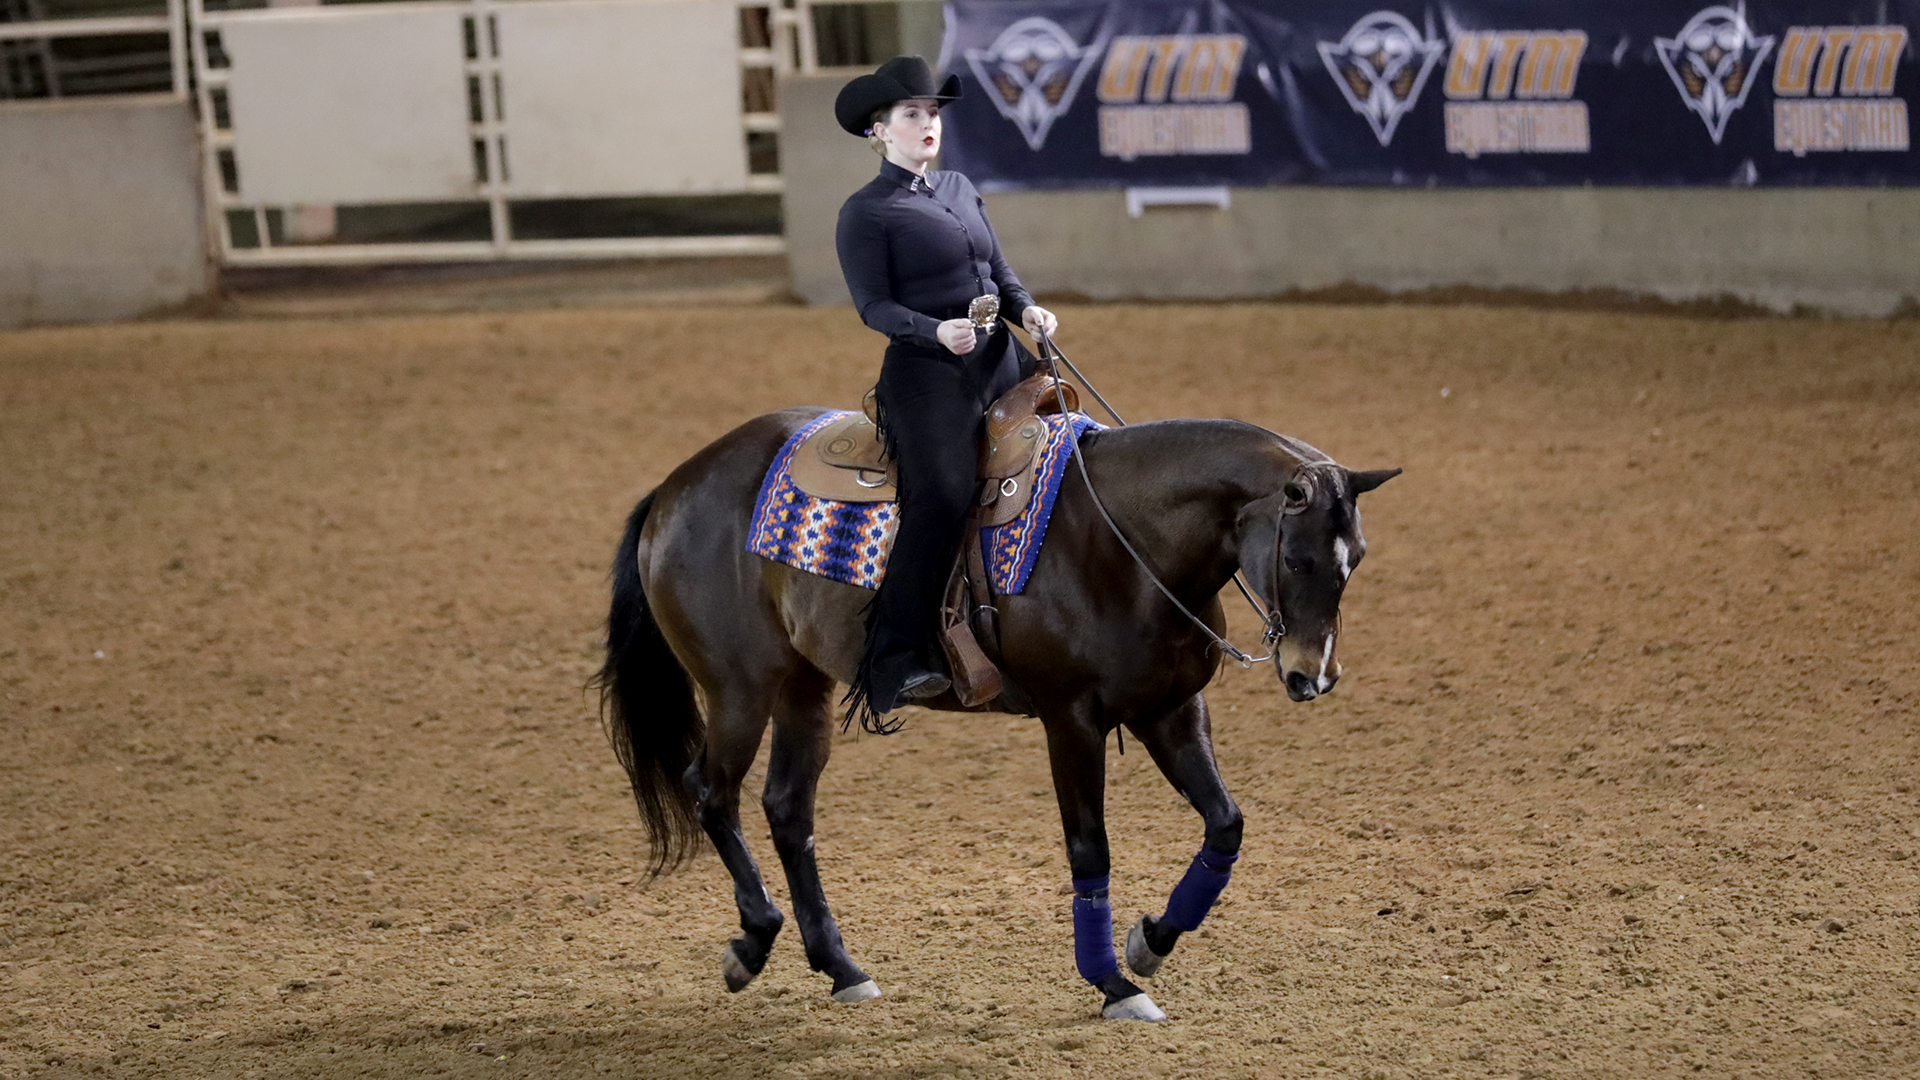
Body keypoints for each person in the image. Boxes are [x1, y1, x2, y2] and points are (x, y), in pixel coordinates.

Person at [833, 55, 1059, 723]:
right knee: (941, 492)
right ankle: (897, 653)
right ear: (880, 130)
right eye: (912, 114)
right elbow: (873, 307)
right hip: (927, 373)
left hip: (998, 357)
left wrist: (1028, 311)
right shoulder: (866, 212)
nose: (928, 122)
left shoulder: (960, 187)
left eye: (932, 112)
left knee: (1078, 447)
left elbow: (999, 269)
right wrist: (936, 333)